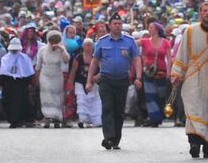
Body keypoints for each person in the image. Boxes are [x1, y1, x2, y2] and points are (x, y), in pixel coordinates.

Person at [169, 5, 208, 158]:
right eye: (204, 11)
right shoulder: (190, 32)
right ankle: (194, 143)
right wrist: (177, 73)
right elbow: (182, 53)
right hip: (193, 76)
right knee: (194, 107)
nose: (207, 13)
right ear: (200, 14)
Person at [87, 16, 142, 150]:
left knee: (118, 110)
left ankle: (116, 139)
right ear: (109, 26)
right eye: (115, 23)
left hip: (122, 80)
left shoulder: (129, 41)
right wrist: (89, 81)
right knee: (107, 107)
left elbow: (136, 59)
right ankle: (108, 138)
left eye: (119, 23)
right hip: (106, 79)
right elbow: (94, 62)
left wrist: (138, 77)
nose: (117, 25)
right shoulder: (102, 41)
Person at [138, 21, 173, 127]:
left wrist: (169, 71)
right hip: (148, 73)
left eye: (151, 27)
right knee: (150, 96)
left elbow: (169, 58)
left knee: (160, 96)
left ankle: (158, 117)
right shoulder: (144, 41)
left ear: (157, 29)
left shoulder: (165, 42)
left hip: (161, 73)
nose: (149, 29)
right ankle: (154, 119)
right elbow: (132, 43)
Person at [0, 37, 36, 127]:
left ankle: (20, 120)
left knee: (21, 101)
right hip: (8, 82)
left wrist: (32, 82)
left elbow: (29, 72)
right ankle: (12, 119)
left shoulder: (25, 58)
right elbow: (2, 71)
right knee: (7, 101)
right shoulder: (5, 58)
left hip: (21, 82)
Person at [35, 30, 70, 127]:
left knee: (57, 96)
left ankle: (57, 117)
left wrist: (62, 49)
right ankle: (47, 116)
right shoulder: (42, 50)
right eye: (52, 41)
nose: (54, 43)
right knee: (46, 96)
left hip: (57, 76)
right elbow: (38, 66)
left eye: (56, 41)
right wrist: (37, 78)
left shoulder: (61, 49)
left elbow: (66, 60)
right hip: (45, 76)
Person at [71, 37, 101, 128]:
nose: (88, 47)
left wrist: (96, 77)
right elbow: (73, 71)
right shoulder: (78, 57)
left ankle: (96, 120)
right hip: (80, 82)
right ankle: (83, 120)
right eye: (86, 45)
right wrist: (70, 84)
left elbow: (102, 70)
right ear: (83, 46)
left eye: (90, 45)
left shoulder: (96, 57)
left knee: (95, 101)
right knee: (82, 100)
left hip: (94, 82)